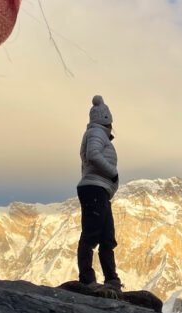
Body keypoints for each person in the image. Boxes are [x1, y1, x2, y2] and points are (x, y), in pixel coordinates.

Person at [76, 95, 122, 293]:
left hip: (99, 189)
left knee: (106, 236)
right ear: (105, 120)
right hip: (95, 188)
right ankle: (87, 278)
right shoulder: (96, 133)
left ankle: (111, 279)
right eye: (110, 121)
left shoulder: (97, 134)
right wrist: (112, 174)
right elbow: (93, 155)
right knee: (92, 233)